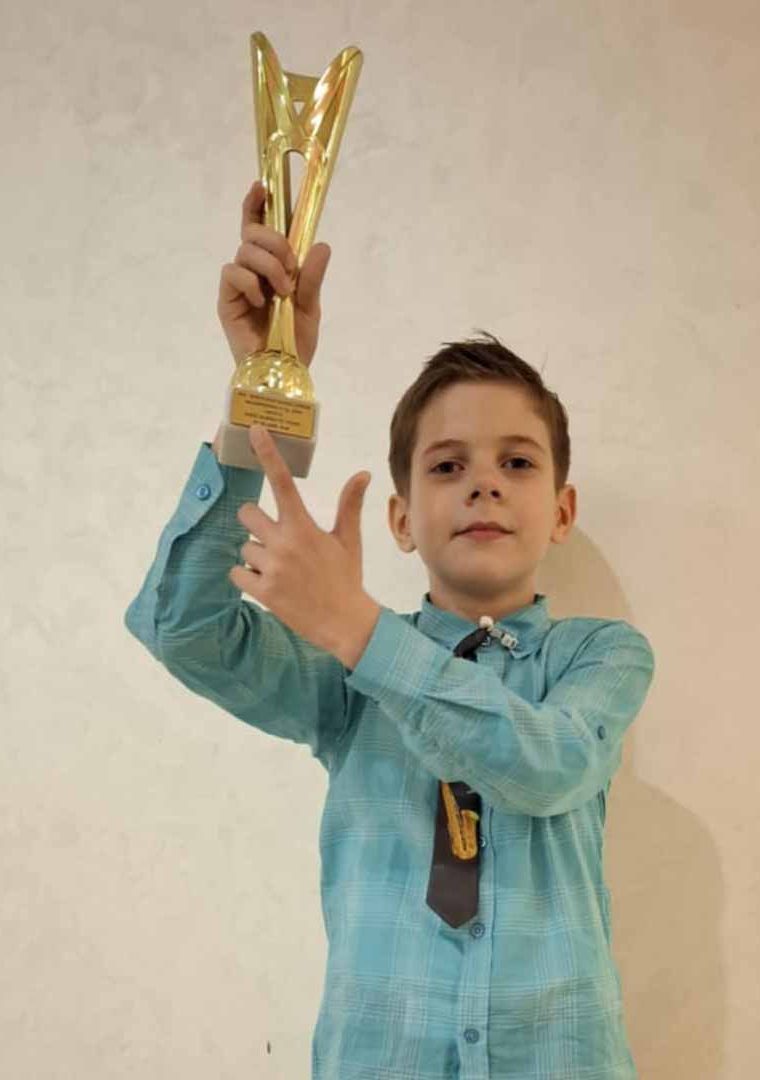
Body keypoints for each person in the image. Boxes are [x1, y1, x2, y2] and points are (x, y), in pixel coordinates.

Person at [124, 178, 656, 1079]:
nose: (483, 483)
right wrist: (264, 392)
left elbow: (551, 765)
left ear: (562, 512)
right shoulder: (344, 677)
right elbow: (183, 627)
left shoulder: (600, 655)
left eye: (517, 463)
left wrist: (360, 627)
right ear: (402, 521)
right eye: (447, 466)